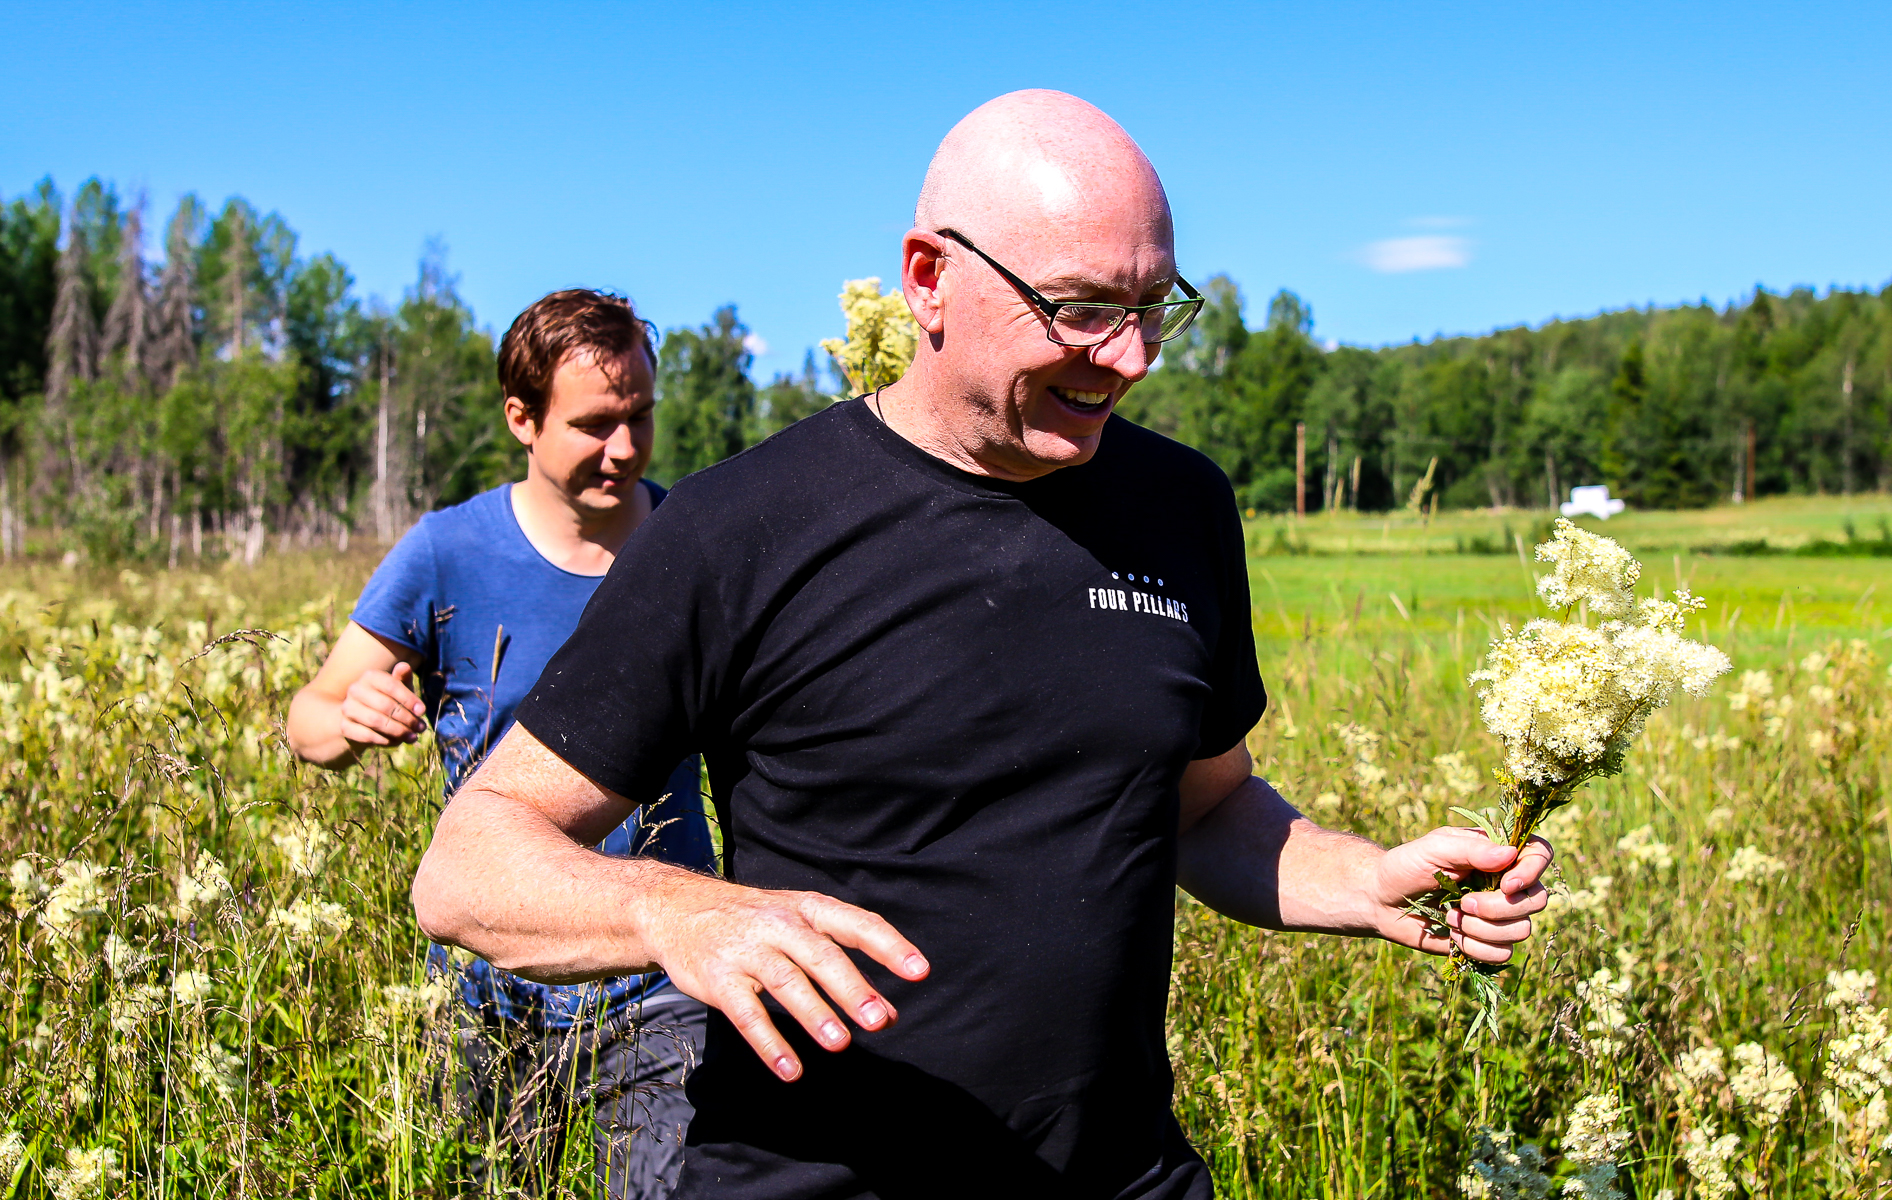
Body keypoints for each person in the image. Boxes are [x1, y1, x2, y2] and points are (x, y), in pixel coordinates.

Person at [411, 91, 1552, 1200]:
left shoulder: (1180, 506)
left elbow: (1200, 807)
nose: (1131, 356)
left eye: (1156, 305)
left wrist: (1364, 879)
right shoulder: (739, 527)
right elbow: (468, 869)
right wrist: (675, 912)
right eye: (1080, 309)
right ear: (929, 279)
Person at [286, 289, 716, 1199]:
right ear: (522, 418)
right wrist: (351, 716)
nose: (627, 448)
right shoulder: (448, 554)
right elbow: (309, 722)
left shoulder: (695, 542)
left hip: (658, 983)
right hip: (489, 983)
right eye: (596, 424)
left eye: (640, 416)